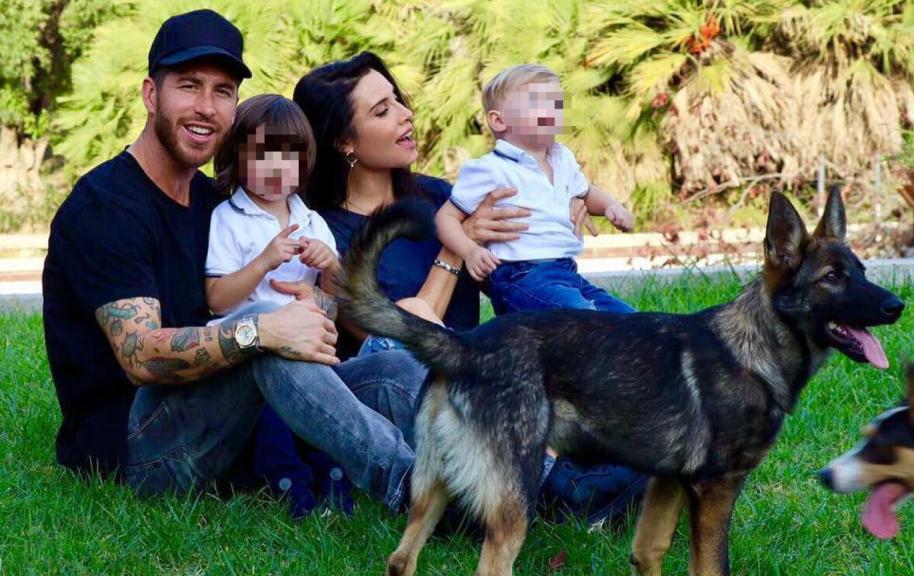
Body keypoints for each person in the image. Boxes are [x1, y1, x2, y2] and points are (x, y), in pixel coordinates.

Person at [42, 9, 423, 517]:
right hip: (142, 450)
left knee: (395, 369)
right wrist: (263, 331)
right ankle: (411, 488)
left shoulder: (218, 203)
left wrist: (318, 305)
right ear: (151, 94)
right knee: (262, 330)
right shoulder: (105, 206)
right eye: (189, 86)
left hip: (241, 414)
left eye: (222, 91)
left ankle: (536, 475)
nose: (206, 107)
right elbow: (139, 356)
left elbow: (308, 303)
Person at [294, 52, 647, 525]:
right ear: (343, 142)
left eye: (398, 100)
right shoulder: (322, 230)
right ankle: (560, 487)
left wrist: (561, 213)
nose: (405, 115)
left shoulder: (442, 197)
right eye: (382, 111)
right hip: (403, 393)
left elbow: (520, 278)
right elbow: (392, 330)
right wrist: (459, 245)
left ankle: (609, 464)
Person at [204, 93, 351, 519]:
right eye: (261, 155)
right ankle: (293, 492)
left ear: (304, 162)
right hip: (252, 355)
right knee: (274, 427)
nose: (275, 168)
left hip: (308, 352)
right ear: (238, 156)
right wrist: (265, 259)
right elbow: (217, 298)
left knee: (322, 420)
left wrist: (330, 266)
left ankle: (337, 491)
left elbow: (336, 298)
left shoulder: (313, 221)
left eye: (288, 157)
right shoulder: (228, 218)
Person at [435, 63, 636, 315]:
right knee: (584, 319)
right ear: (498, 120)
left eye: (557, 103)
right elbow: (446, 217)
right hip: (520, 276)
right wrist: (469, 250)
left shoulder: (562, 158)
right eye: (537, 104)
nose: (551, 111)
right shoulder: (491, 169)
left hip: (566, 272)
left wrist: (611, 206)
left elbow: (585, 192)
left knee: (631, 322)